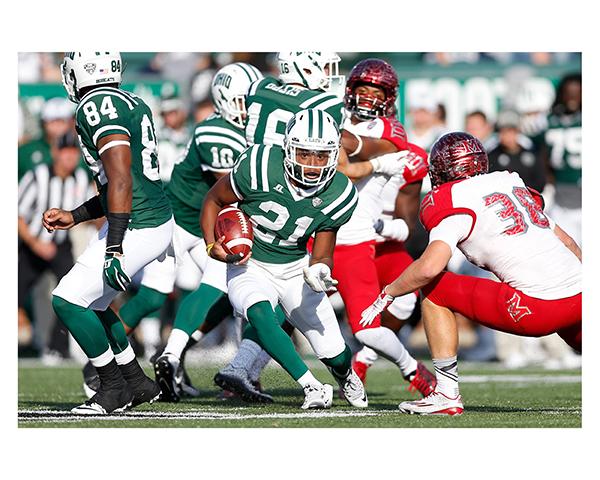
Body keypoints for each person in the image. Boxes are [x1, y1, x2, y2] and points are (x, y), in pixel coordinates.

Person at [361, 132, 581, 415]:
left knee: (435, 288)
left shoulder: (451, 197)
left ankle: (446, 393)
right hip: (581, 296)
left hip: (538, 307)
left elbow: (429, 268)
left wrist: (388, 292)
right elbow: (570, 244)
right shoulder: (508, 182)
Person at [202, 109, 367, 409]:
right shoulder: (259, 165)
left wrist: (320, 269)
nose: (313, 164)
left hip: (294, 269)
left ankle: (345, 376)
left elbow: (324, 248)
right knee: (260, 313)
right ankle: (311, 386)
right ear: (288, 148)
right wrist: (212, 245)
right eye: (305, 154)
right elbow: (214, 199)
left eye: (321, 155)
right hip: (250, 263)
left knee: (335, 354)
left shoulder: (340, 192)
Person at [44, 51, 174, 414]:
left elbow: (119, 179)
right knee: (96, 304)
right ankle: (136, 381)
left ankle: (113, 386)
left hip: (139, 223)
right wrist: (76, 215)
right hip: (146, 217)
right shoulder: (128, 99)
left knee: (67, 301)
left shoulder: (96, 104)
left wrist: (114, 245)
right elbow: (119, 183)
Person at [151, 62, 265, 402]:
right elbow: (230, 186)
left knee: (227, 295)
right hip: (188, 222)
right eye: (246, 100)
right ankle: (151, 359)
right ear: (227, 99)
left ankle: (175, 355)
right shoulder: (216, 131)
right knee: (209, 287)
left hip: (210, 220)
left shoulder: (244, 130)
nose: (252, 108)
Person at [327, 58, 436, 396]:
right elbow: (352, 151)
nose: (368, 98)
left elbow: (407, 218)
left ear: (389, 98)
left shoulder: (395, 136)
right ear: (349, 91)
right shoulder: (331, 117)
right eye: (362, 90)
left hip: (372, 237)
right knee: (288, 301)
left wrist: (391, 228)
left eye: (377, 92)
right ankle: (246, 368)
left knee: (402, 303)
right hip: (329, 231)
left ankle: (365, 358)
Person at [18, 131, 92, 356]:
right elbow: (17, 214)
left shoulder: (80, 178)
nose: (69, 157)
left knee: (69, 293)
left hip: (61, 246)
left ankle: (57, 348)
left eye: (73, 152)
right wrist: (34, 243)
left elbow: (91, 213)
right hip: (30, 244)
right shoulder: (37, 175)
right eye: (65, 151)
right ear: (55, 153)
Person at [538, 73, 581, 247]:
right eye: (569, 92)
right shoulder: (547, 122)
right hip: (561, 195)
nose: (573, 97)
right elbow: (540, 155)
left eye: (577, 92)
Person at [488, 110, 546, 193]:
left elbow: (540, 183)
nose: (507, 136)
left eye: (510, 131)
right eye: (503, 132)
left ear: (517, 132)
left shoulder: (531, 154)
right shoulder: (492, 156)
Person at [18, 97, 75, 180]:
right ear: (43, 123)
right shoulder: (25, 151)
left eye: (62, 121)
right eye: (53, 121)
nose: (57, 126)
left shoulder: (78, 151)